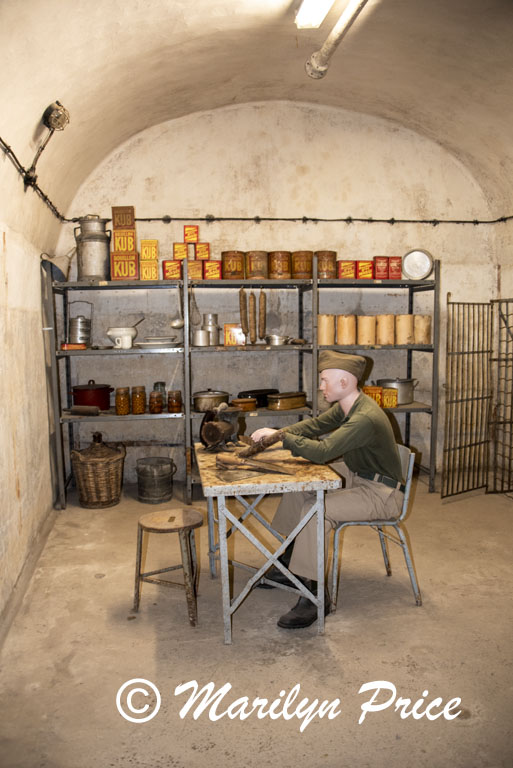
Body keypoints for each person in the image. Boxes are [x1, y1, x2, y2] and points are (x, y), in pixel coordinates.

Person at [250, 350, 405, 630]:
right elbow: (313, 426)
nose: (321, 387)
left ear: (344, 383)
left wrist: (283, 440)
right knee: (300, 480)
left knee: (315, 511)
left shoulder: (364, 417)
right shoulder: (349, 405)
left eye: (324, 381)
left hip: (381, 493)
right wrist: (276, 435)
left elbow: (323, 452)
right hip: (360, 475)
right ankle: (290, 562)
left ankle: (314, 594)